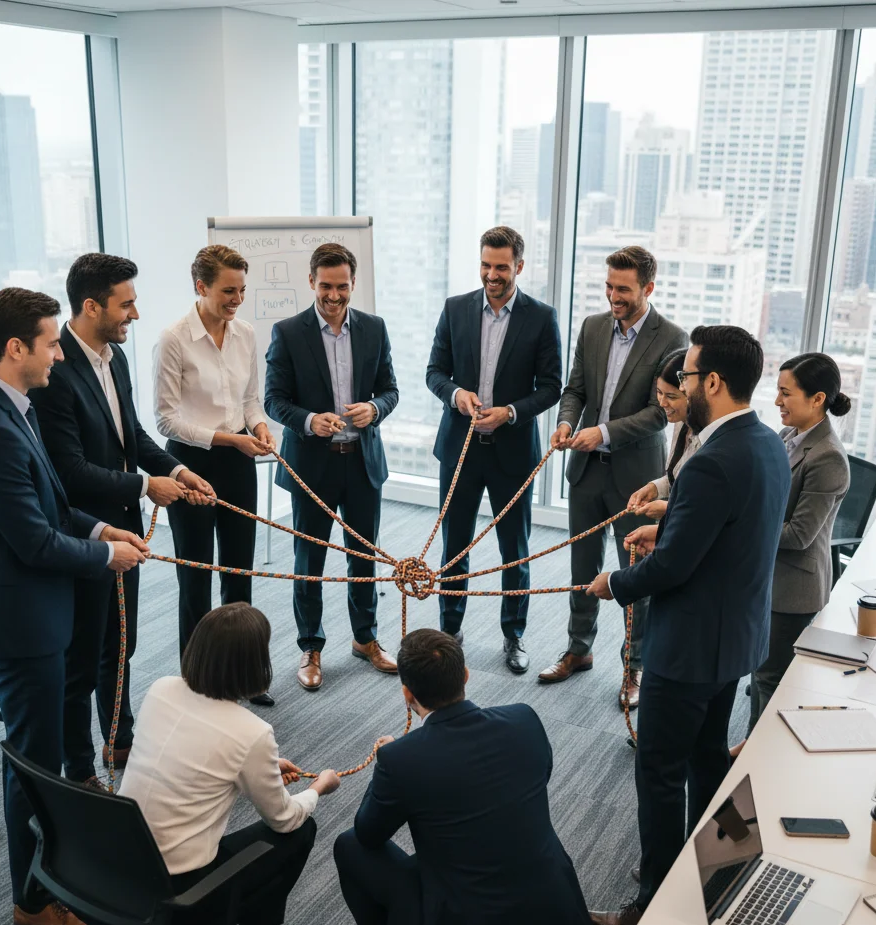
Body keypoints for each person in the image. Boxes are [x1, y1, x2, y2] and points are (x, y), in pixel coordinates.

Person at [0, 287, 148, 925]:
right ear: (16, 348)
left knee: (46, 754)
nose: (60, 353)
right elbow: (32, 541)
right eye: (52, 342)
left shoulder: (13, 406)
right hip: (17, 620)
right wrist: (106, 559)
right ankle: (32, 904)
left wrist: (101, 532)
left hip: (36, 606)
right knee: (30, 764)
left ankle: (56, 868)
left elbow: (54, 508)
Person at [586, 326, 790, 925]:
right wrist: (668, 530)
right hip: (735, 640)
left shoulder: (710, 461)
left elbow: (675, 569)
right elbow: (728, 534)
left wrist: (615, 584)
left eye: (692, 374)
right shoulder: (769, 444)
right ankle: (728, 872)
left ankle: (650, 901)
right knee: (708, 758)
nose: (685, 384)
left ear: (715, 383)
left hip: (690, 647)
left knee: (659, 770)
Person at [334, 629, 591, 925]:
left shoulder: (401, 761)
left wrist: (387, 763)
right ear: (466, 675)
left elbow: (369, 834)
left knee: (349, 846)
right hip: (551, 904)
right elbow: (535, 779)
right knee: (512, 835)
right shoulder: (524, 718)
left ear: (407, 694)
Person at [30, 254, 215, 790]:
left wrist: (179, 469)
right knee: (82, 658)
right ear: (92, 306)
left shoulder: (116, 357)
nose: (135, 313)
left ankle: (120, 736)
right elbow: (68, 471)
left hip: (125, 532)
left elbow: (128, 433)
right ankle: (80, 769)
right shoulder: (54, 372)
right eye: (126, 303)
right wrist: (145, 485)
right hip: (84, 534)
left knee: (122, 643)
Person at [119, 603, 340, 925]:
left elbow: (190, 752)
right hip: (176, 892)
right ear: (255, 665)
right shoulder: (251, 732)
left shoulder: (160, 689)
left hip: (115, 870)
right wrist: (319, 788)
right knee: (299, 833)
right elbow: (284, 820)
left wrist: (258, 766)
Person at [539, 247, 687, 708]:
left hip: (635, 479)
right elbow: (575, 389)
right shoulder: (593, 326)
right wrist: (567, 423)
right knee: (581, 569)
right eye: (609, 286)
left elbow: (659, 414)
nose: (613, 296)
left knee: (635, 576)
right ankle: (578, 650)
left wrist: (601, 432)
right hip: (586, 472)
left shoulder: (673, 338)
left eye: (623, 289)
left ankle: (633, 668)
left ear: (648, 288)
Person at [425, 226, 562, 674]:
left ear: (518, 267)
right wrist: (456, 394)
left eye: (501, 266)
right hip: (460, 449)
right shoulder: (455, 308)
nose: (491, 274)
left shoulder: (542, 317)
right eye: (486, 264)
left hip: (512, 452)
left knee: (514, 550)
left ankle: (514, 635)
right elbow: (434, 372)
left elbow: (551, 388)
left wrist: (510, 412)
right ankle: (449, 631)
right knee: (454, 547)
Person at [264, 243, 399, 692]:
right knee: (310, 562)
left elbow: (391, 390)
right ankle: (311, 646)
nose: (334, 295)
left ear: (353, 284)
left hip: (362, 465)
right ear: (311, 283)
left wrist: (375, 409)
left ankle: (365, 638)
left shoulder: (375, 329)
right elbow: (273, 400)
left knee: (364, 558)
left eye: (342, 286)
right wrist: (307, 420)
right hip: (312, 467)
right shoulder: (287, 332)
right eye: (326, 286)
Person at [154, 245, 276, 660]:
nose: (237, 300)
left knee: (239, 573)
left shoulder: (246, 334)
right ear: (200, 286)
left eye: (242, 290)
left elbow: (251, 399)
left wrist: (258, 426)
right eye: (228, 291)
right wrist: (233, 439)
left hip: (239, 463)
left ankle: (241, 666)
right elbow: (166, 420)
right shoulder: (173, 339)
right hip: (190, 465)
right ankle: (197, 674)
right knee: (196, 574)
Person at [730, 352, 851, 752]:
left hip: (793, 587)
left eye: (786, 393)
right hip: (767, 575)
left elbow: (799, 534)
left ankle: (762, 756)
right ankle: (751, 744)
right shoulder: (787, 437)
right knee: (758, 672)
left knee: (770, 678)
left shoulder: (828, 456)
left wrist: (739, 525)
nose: (777, 401)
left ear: (817, 399)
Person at [624, 348, 699, 532]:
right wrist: (654, 487)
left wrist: (667, 509)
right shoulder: (680, 422)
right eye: (659, 393)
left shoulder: (712, 438)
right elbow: (679, 477)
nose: (662, 403)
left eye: (671, 396)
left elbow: (705, 502)